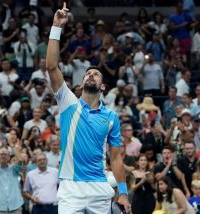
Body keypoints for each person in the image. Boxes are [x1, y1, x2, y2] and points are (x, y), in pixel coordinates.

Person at [46, 3, 130, 213]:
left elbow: (116, 157)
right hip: (70, 189)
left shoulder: (111, 116)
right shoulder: (68, 102)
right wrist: (57, 26)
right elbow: (51, 66)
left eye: (96, 73)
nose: (91, 74)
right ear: (81, 84)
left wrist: (123, 193)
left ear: (103, 87)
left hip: (99, 188)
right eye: (87, 74)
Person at [0, 142, 24, 213]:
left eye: (5, 154)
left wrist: (12, 145)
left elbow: (20, 160)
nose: (3, 156)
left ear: (9, 157)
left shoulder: (14, 168)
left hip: (15, 206)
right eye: (1, 154)